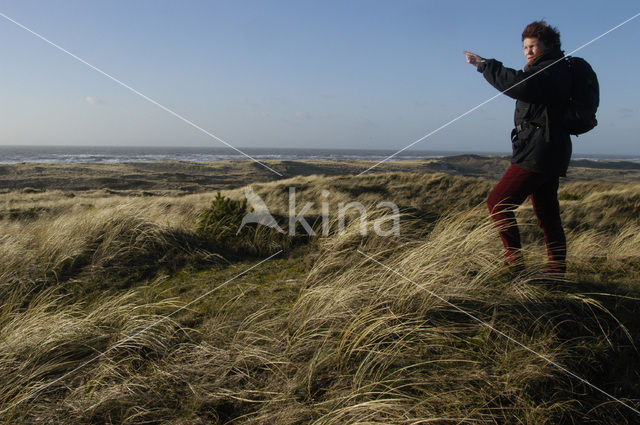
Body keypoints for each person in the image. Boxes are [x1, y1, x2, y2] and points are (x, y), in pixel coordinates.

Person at [463, 20, 572, 275]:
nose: (528, 52)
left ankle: (514, 264)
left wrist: (484, 66)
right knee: (547, 213)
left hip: (539, 150)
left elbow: (517, 84)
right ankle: (556, 273)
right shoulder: (555, 69)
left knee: (497, 203)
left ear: (548, 45)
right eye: (525, 47)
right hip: (550, 149)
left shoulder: (549, 70)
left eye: (533, 46)